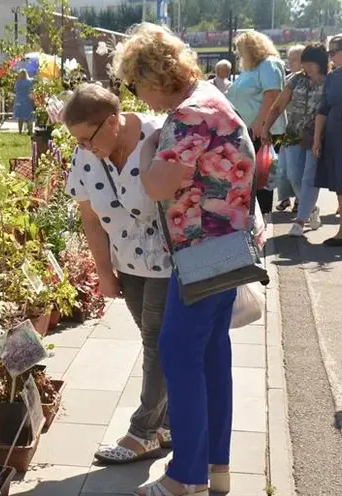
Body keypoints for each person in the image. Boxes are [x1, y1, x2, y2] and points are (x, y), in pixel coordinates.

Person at [115, 23, 257, 496]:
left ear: (155, 75)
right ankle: (216, 469)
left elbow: (156, 184)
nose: (138, 96)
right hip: (227, 250)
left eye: (137, 84)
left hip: (202, 254)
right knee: (212, 357)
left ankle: (186, 477)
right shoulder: (214, 103)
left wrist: (150, 147)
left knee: (178, 354)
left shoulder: (190, 115)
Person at [63, 83, 172, 465]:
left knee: (157, 344)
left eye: (86, 138)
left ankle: (143, 432)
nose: (83, 147)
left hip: (170, 261)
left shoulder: (159, 135)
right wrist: (104, 273)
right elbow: (90, 218)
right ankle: (169, 422)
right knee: (153, 339)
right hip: (128, 264)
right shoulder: (86, 155)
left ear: (112, 121)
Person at [262, 43, 327, 237]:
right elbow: (278, 105)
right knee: (292, 175)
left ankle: (300, 220)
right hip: (292, 135)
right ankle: (311, 208)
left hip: (317, 137)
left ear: (320, 63)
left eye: (310, 63)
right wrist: (266, 127)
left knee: (308, 178)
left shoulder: (330, 81)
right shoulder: (295, 80)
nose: (305, 67)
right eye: (304, 62)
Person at [227, 30, 287, 215]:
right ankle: (253, 219)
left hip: (263, 130)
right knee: (251, 177)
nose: (238, 53)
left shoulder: (269, 64)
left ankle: (263, 221)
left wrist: (261, 125)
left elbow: (272, 95)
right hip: (248, 129)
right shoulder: (251, 69)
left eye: (240, 49)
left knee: (261, 178)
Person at [313, 34, 342, 246]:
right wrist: (316, 139)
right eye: (328, 52)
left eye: (333, 51)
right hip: (334, 136)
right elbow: (323, 110)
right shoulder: (333, 77)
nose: (330, 56)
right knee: (339, 183)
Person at [276, 44, 306, 213]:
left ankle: (304, 203)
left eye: (293, 59)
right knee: (283, 169)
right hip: (284, 131)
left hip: (298, 133)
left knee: (295, 172)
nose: (290, 62)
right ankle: (287, 199)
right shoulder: (290, 79)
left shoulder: (306, 80)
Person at [13, 69, 34, 135]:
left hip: (19, 100)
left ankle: (20, 131)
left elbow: (15, 90)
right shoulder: (29, 82)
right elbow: (31, 91)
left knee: (20, 117)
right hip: (27, 100)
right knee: (28, 116)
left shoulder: (18, 82)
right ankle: (29, 130)